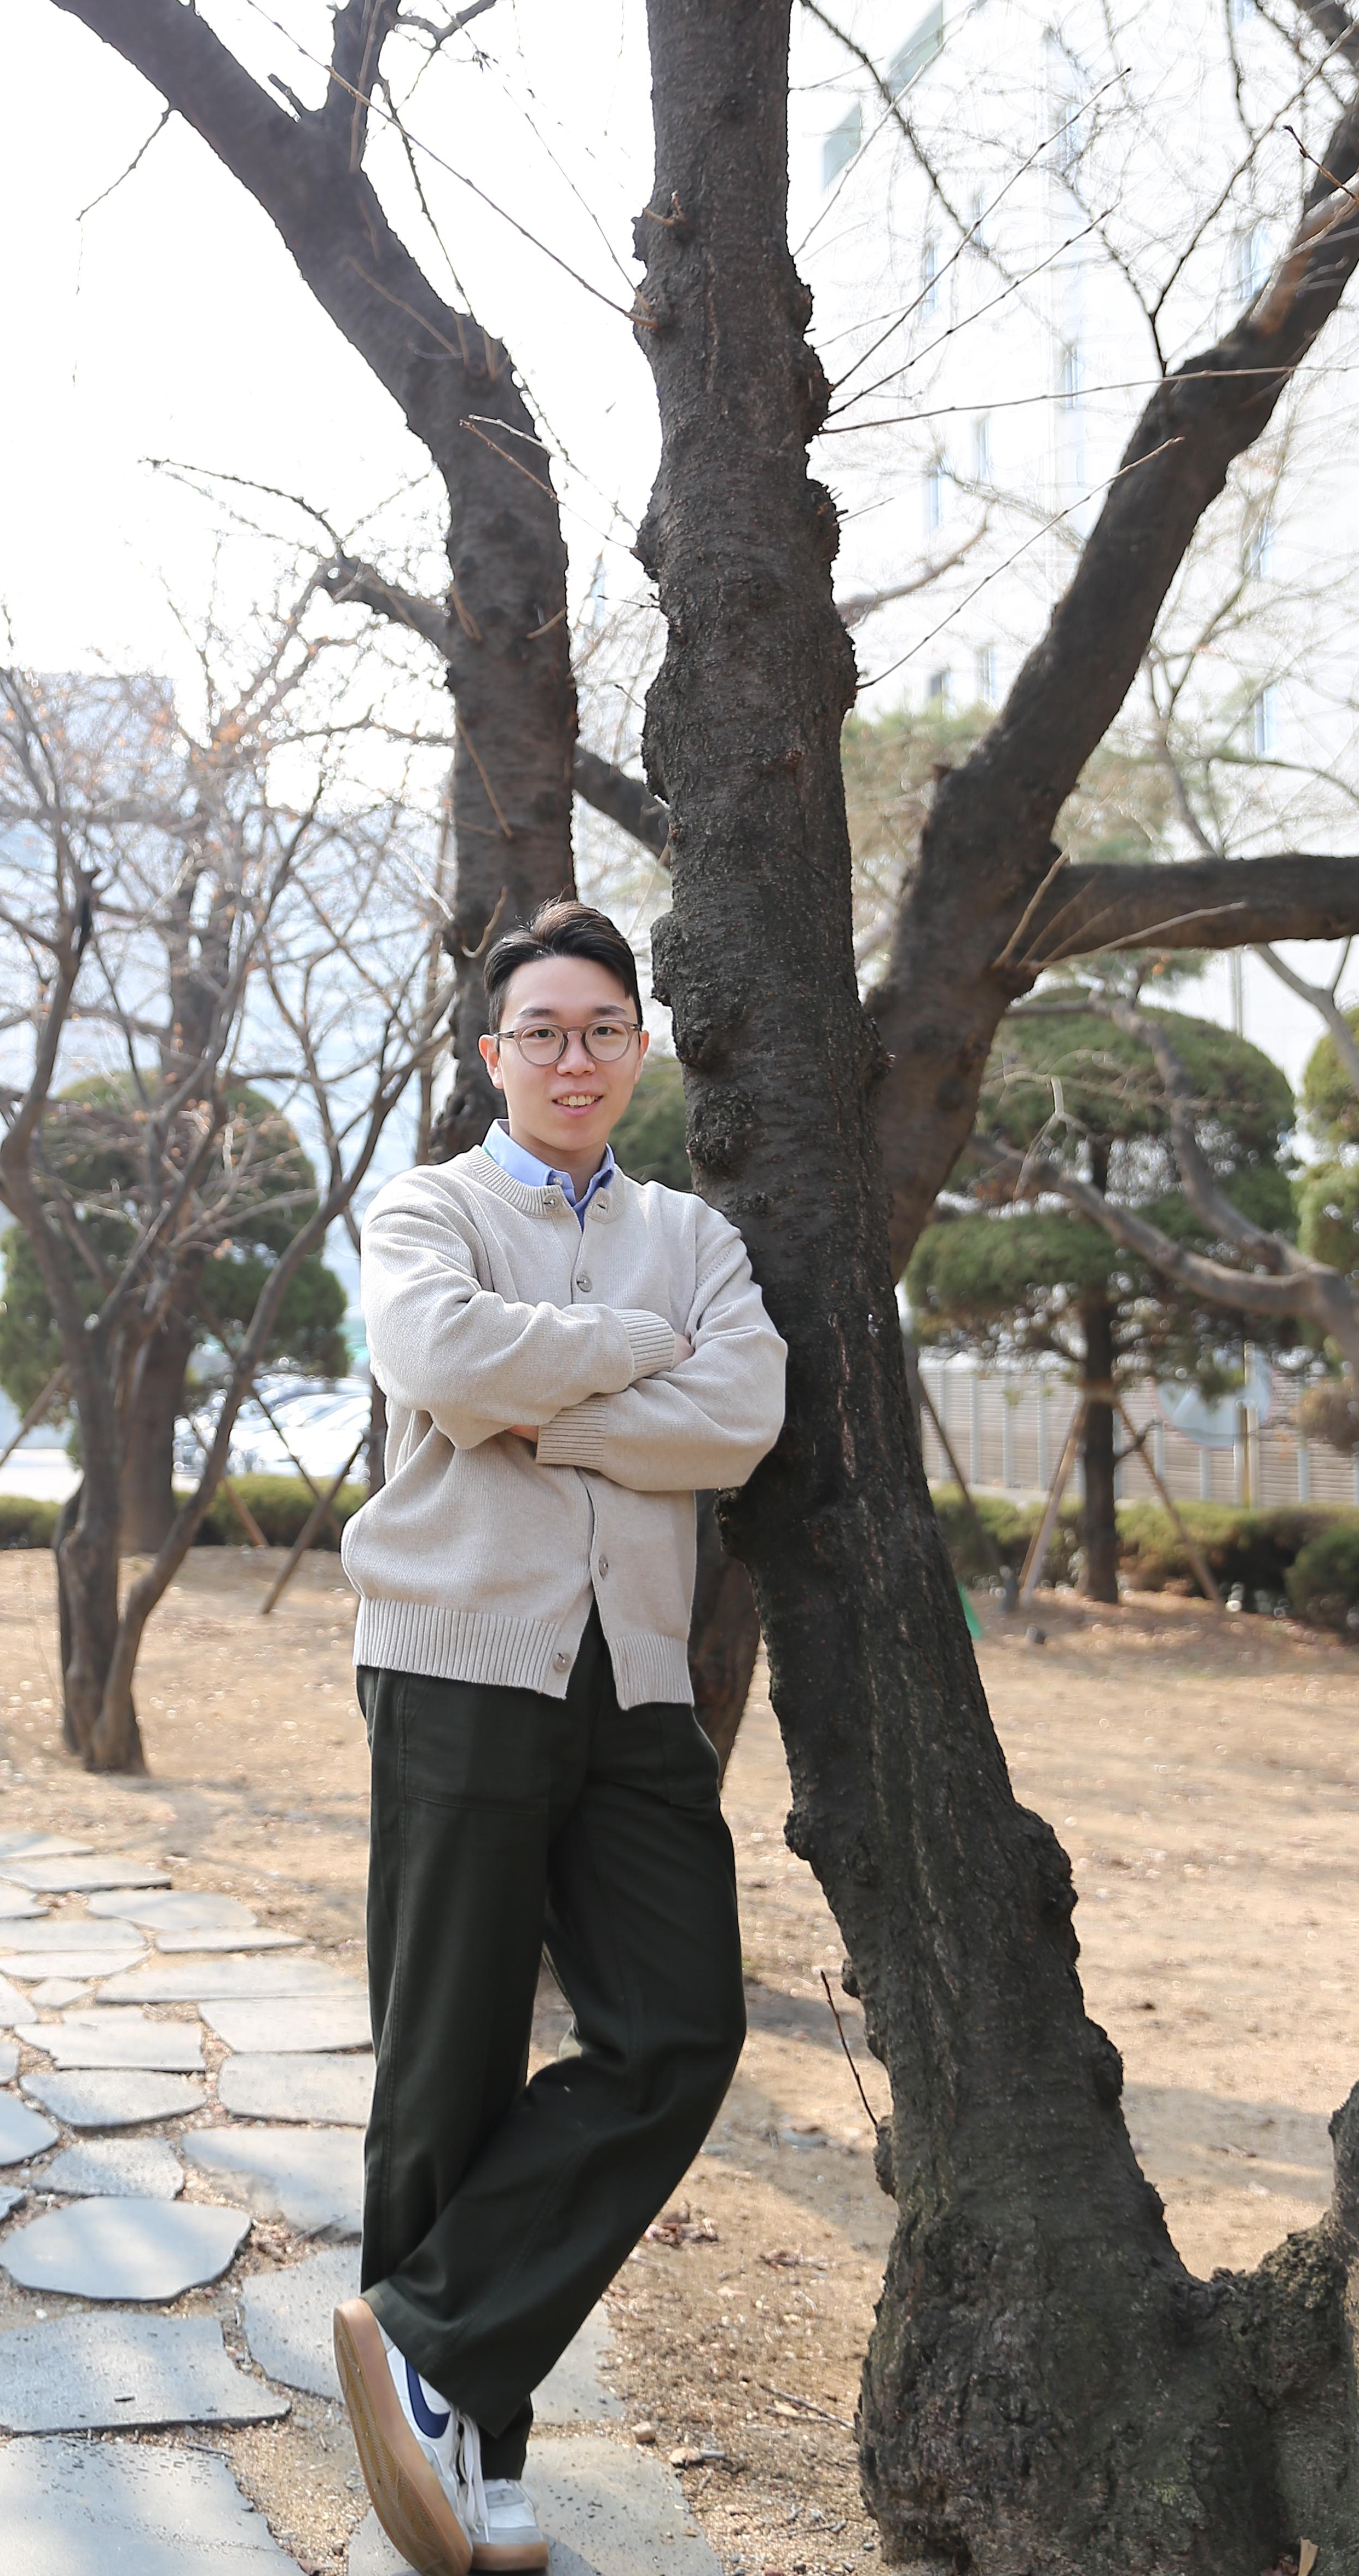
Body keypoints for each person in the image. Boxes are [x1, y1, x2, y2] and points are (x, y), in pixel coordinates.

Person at [333, 897, 790, 2576]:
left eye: (603, 1029)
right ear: (494, 1055)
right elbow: (438, 1359)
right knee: (447, 2057)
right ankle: (469, 2454)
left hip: (639, 1677)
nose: (574, 1057)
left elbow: (740, 1419)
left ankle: (426, 2346)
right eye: (543, 1032)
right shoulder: (428, 1208)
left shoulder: (697, 1239)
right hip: (456, 1662)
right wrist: (621, 1361)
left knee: (678, 2033)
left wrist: (547, 1417)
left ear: (640, 1048)